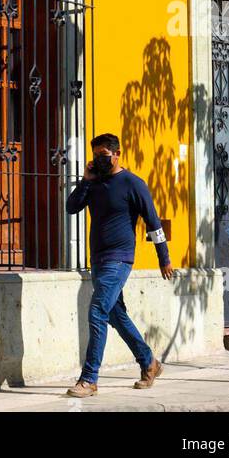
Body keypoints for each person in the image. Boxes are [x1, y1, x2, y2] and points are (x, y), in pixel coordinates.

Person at [65, 133, 173, 397]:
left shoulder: (133, 184)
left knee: (97, 311)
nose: (99, 161)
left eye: (103, 156)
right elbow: (71, 207)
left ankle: (89, 379)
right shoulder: (95, 184)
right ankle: (149, 362)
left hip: (120, 258)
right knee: (114, 314)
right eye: (95, 157)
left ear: (116, 154)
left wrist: (164, 258)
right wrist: (85, 180)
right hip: (99, 260)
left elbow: (153, 222)